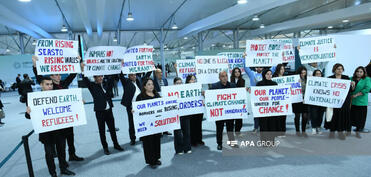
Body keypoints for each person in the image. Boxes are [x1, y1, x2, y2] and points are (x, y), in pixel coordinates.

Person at [32, 56, 84, 161]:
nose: (59, 76)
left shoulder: (64, 83)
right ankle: (62, 160)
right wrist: (35, 65)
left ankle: (72, 154)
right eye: (56, 75)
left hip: (67, 116)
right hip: (56, 118)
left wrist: (77, 62)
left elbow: (72, 75)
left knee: (70, 136)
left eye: (59, 74)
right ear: (51, 76)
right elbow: (38, 76)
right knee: (60, 141)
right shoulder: (49, 88)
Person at [25, 77, 75, 177]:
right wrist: (28, 113)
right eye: (47, 84)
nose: (50, 86)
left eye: (51, 84)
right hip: (46, 132)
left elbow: (68, 108)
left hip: (60, 129)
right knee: (49, 154)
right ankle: (53, 173)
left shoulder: (58, 95)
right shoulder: (34, 98)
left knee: (61, 151)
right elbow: (28, 116)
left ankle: (63, 168)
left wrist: (77, 103)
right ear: (41, 85)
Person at [81, 63, 123, 155]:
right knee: (102, 131)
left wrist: (118, 66)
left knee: (112, 129)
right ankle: (105, 148)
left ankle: (116, 144)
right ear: (95, 78)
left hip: (109, 111)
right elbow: (85, 79)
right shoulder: (92, 86)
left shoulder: (106, 85)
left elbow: (112, 77)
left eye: (101, 76)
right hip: (100, 112)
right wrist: (83, 69)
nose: (100, 78)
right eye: (98, 77)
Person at [243, 54, 277, 133]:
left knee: (265, 111)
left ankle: (264, 127)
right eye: (257, 66)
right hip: (255, 96)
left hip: (265, 96)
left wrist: (277, 56)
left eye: (261, 66)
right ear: (255, 67)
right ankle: (256, 127)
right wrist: (244, 58)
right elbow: (245, 68)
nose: (259, 68)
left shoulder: (266, 73)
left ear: (263, 67)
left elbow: (274, 67)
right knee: (256, 112)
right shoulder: (252, 73)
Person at [119, 69, 152, 145]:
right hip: (131, 106)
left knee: (141, 121)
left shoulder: (139, 79)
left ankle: (142, 136)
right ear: (128, 76)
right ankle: (132, 139)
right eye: (131, 75)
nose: (133, 76)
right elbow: (121, 76)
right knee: (131, 123)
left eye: (134, 75)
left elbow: (146, 76)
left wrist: (151, 68)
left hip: (140, 106)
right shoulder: (126, 82)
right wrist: (120, 66)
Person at [136, 78, 162, 169]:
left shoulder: (157, 95)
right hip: (146, 125)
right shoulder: (140, 97)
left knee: (156, 140)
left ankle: (156, 158)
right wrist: (133, 111)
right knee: (148, 142)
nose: (151, 86)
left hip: (156, 123)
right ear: (144, 86)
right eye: (149, 84)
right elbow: (137, 109)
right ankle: (150, 161)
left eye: (152, 84)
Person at [210, 71, 237, 150]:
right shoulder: (214, 86)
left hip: (229, 111)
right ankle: (219, 143)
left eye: (226, 76)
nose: (224, 78)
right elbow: (210, 98)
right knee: (219, 128)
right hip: (219, 112)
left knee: (230, 127)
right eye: (222, 76)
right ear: (219, 78)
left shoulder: (233, 85)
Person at [325, 63, 352, 140]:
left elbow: (350, 90)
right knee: (333, 116)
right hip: (333, 101)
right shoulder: (330, 78)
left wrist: (352, 85)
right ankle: (332, 131)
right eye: (338, 69)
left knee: (342, 116)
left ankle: (341, 132)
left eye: (341, 69)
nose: (340, 70)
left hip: (344, 101)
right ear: (334, 70)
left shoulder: (346, 78)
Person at [256, 69, 281, 144]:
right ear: (264, 75)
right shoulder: (259, 84)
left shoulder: (274, 84)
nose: (269, 75)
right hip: (263, 109)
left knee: (272, 124)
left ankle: (271, 140)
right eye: (267, 74)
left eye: (270, 74)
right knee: (263, 125)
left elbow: (278, 95)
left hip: (272, 109)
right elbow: (256, 96)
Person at [173, 77, 192, 155]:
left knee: (187, 131)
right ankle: (179, 149)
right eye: (177, 83)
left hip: (185, 113)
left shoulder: (185, 91)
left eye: (181, 83)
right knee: (177, 132)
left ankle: (187, 148)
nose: (179, 84)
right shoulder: (170, 92)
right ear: (174, 84)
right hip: (175, 115)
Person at [350, 66, 371, 138]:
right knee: (353, 114)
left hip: (361, 100)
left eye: (361, 72)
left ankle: (360, 128)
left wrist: (357, 95)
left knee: (361, 115)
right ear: (355, 72)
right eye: (357, 71)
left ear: (364, 73)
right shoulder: (351, 78)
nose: (359, 73)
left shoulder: (367, 79)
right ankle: (353, 127)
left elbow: (367, 88)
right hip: (352, 100)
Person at [185, 75, 205, 146]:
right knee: (192, 125)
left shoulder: (199, 87)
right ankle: (193, 141)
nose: (194, 81)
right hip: (191, 110)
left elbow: (202, 97)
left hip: (199, 109)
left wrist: (203, 94)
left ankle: (199, 139)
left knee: (199, 125)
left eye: (194, 79)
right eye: (192, 79)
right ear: (188, 81)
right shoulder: (185, 89)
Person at [152, 68, 171, 135]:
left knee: (165, 116)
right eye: (159, 73)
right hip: (157, 101)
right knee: (158, 116)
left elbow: (167, 89)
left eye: (161, 72)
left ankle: (165, 130)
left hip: (164, 100)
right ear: (156, 74)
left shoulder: (165, 80)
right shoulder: (153, 82)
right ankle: (159, 131)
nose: (161, 74)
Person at [292, 66, 309, 137]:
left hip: (305, 100)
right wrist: (296, 83)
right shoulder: (295, 79)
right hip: (297, 99)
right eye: (301, 73)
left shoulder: (308, 79)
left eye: (304, 73)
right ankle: (297, 131)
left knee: (305, 116)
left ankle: (304, 131)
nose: (303, 74)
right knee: (297, 116)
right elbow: (291, 88)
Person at [309, 70, 326, 135]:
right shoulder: (310, 81)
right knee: (314, 115)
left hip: (322, 102)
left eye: (319, 74)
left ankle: (318, 127)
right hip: (313, 101)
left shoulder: (325, 82)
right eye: (317, 74)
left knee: (320, 115)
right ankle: (313, 128)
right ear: (314, 75)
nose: (318, 75)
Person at [272, 64, 287, 136]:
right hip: (276, 100)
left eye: (283, 69)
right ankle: (277, 131)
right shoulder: (274, 78)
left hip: (284, 100)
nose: (282, 71)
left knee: (283, 116)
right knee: (277, 117)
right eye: (281, 69)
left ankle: (283, 131)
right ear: (278, 69)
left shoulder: (286, 78)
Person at [230, 68, 245, 136]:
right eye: (235, 72)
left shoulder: (242, 80)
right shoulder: (230, 80)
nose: (237, 73)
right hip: (231, 101)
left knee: (239, 118)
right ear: (233, 73)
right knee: (232, 118)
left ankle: (238, 131)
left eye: (238, 72)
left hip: (239, 101)